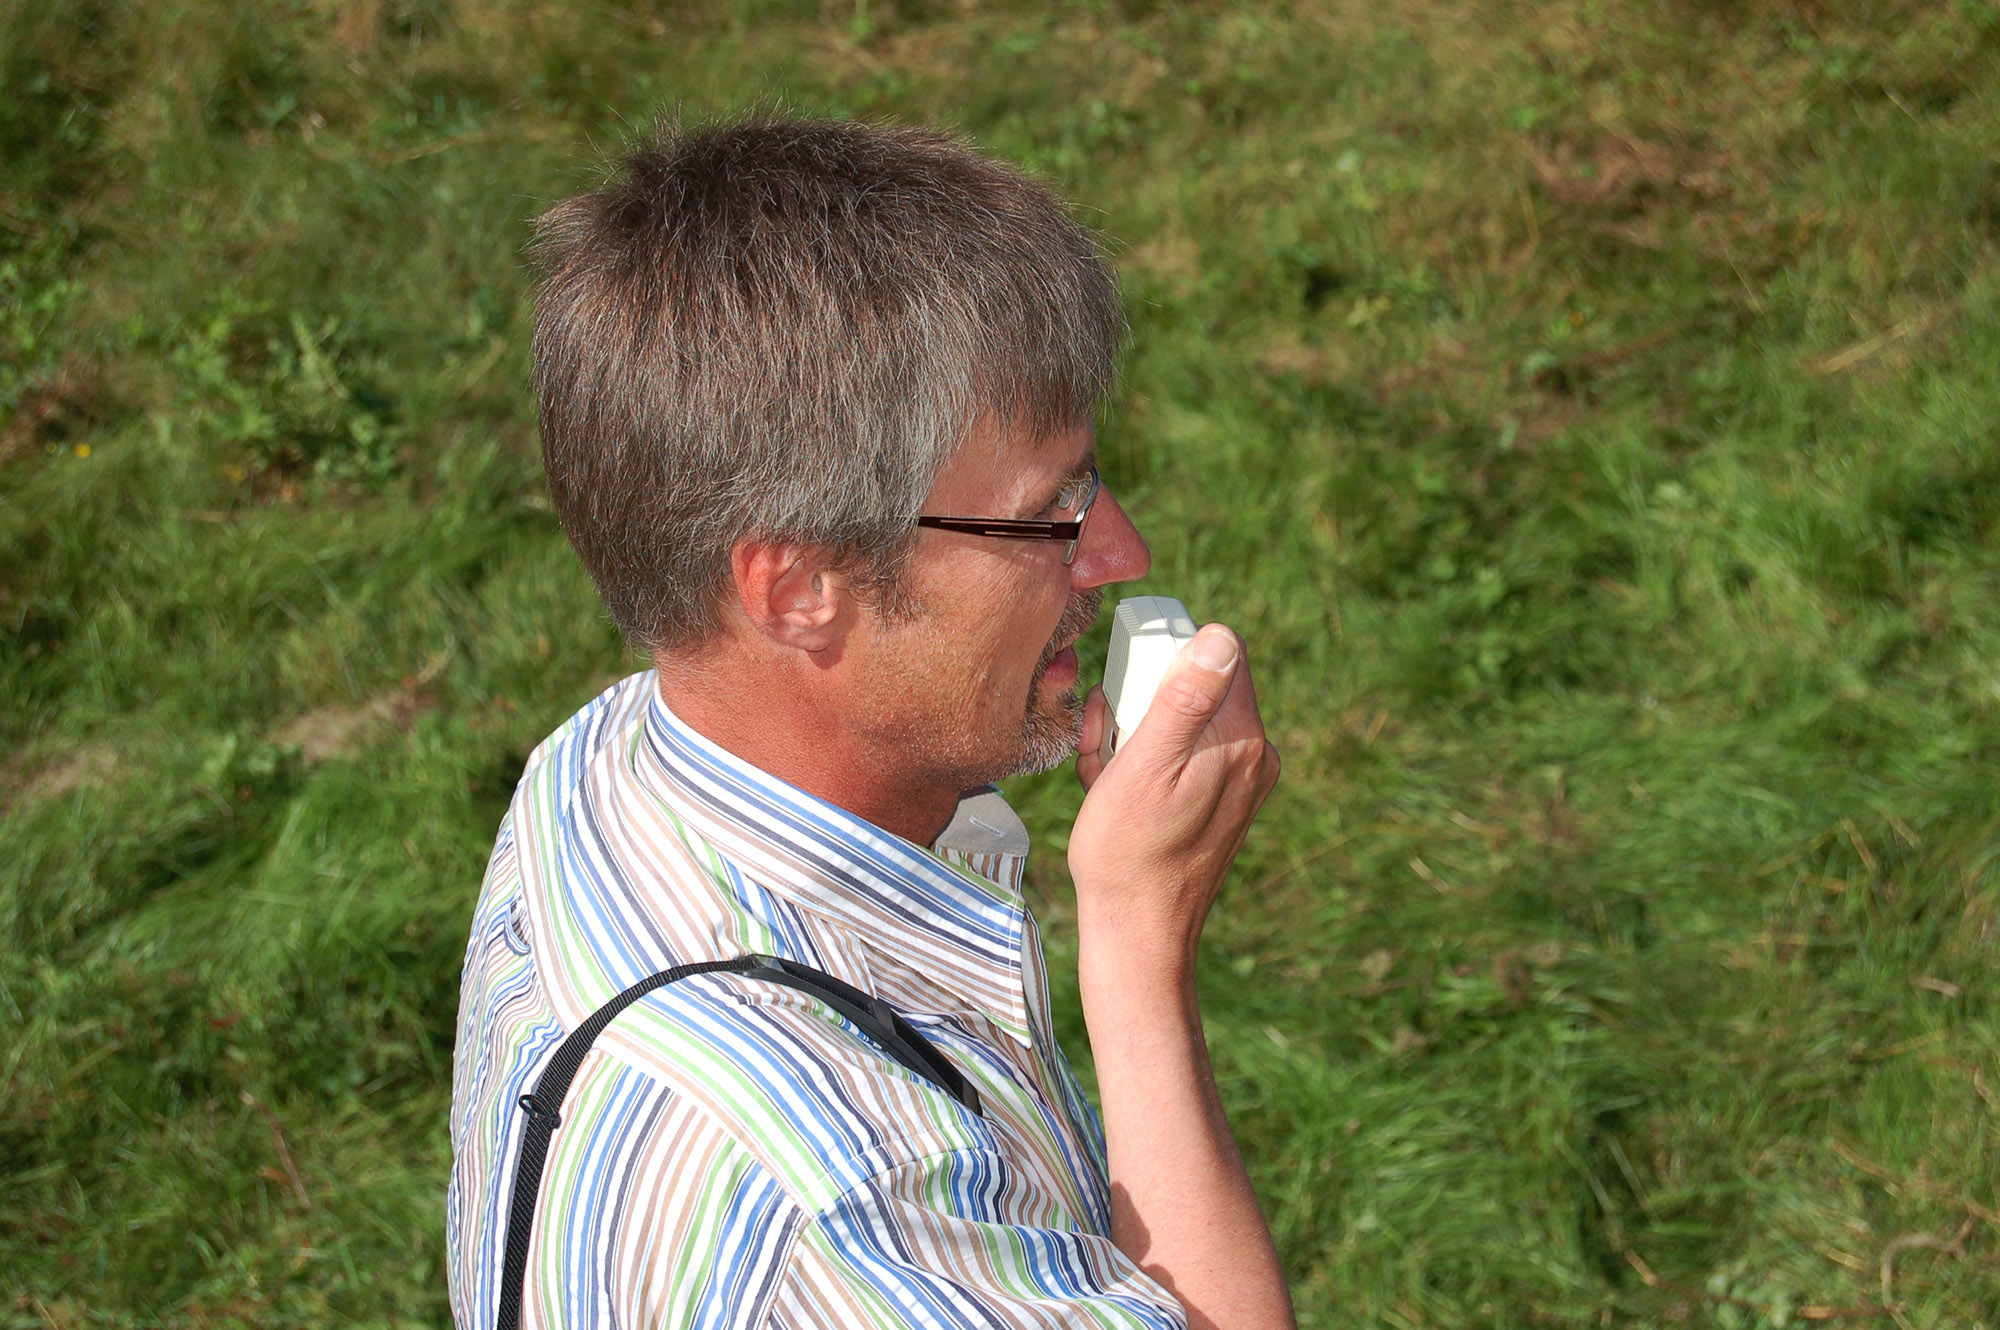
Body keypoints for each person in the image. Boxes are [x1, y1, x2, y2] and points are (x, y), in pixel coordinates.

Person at [447, 116, 1292, 1330]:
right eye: (1047, 514)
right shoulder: (843, 1210)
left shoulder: (599, 763)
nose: (1118, 555)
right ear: (797, 592)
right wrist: (1138, 945)